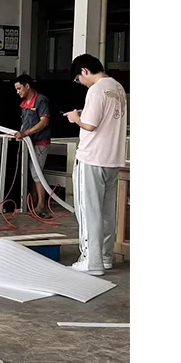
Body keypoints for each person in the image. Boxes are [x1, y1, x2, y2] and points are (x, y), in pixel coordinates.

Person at [65, 54, 128, 275]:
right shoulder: (117, 87)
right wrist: (84, 116)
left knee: (89, 210)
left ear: (84, 71)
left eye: (78, 78)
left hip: (92, 158)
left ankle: (91, 262)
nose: (81, 82)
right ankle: (105, 257)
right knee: (107, 212)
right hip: (112, 159)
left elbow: (90, 125)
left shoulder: (95, 89)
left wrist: (75, 118)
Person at [13, 74, 52, 219]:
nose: (18, 92)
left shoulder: (40, 100)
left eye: (19, 88)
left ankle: (41, 205)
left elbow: (44, 122)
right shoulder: (25, 103)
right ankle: (33, 203)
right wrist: (21, 133)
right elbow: (25, 123)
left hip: (40, 142)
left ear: (27, 86)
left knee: (37, 173)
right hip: (29, 143)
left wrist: (26, 133)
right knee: (30, 172)